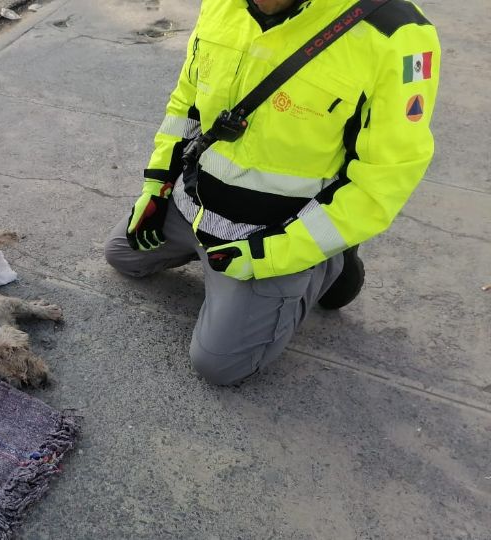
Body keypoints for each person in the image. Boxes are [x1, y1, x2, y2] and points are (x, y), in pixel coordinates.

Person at [105, 0, 440, 385]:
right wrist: (158, 184)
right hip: (194, 205)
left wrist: (275, 253)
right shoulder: (221, 3)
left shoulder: (397, 33)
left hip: (271, 235)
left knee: (219, 365)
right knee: (121, 256)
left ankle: (330, 262)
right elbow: (187, 103)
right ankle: (216, 263)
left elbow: (384, 178)